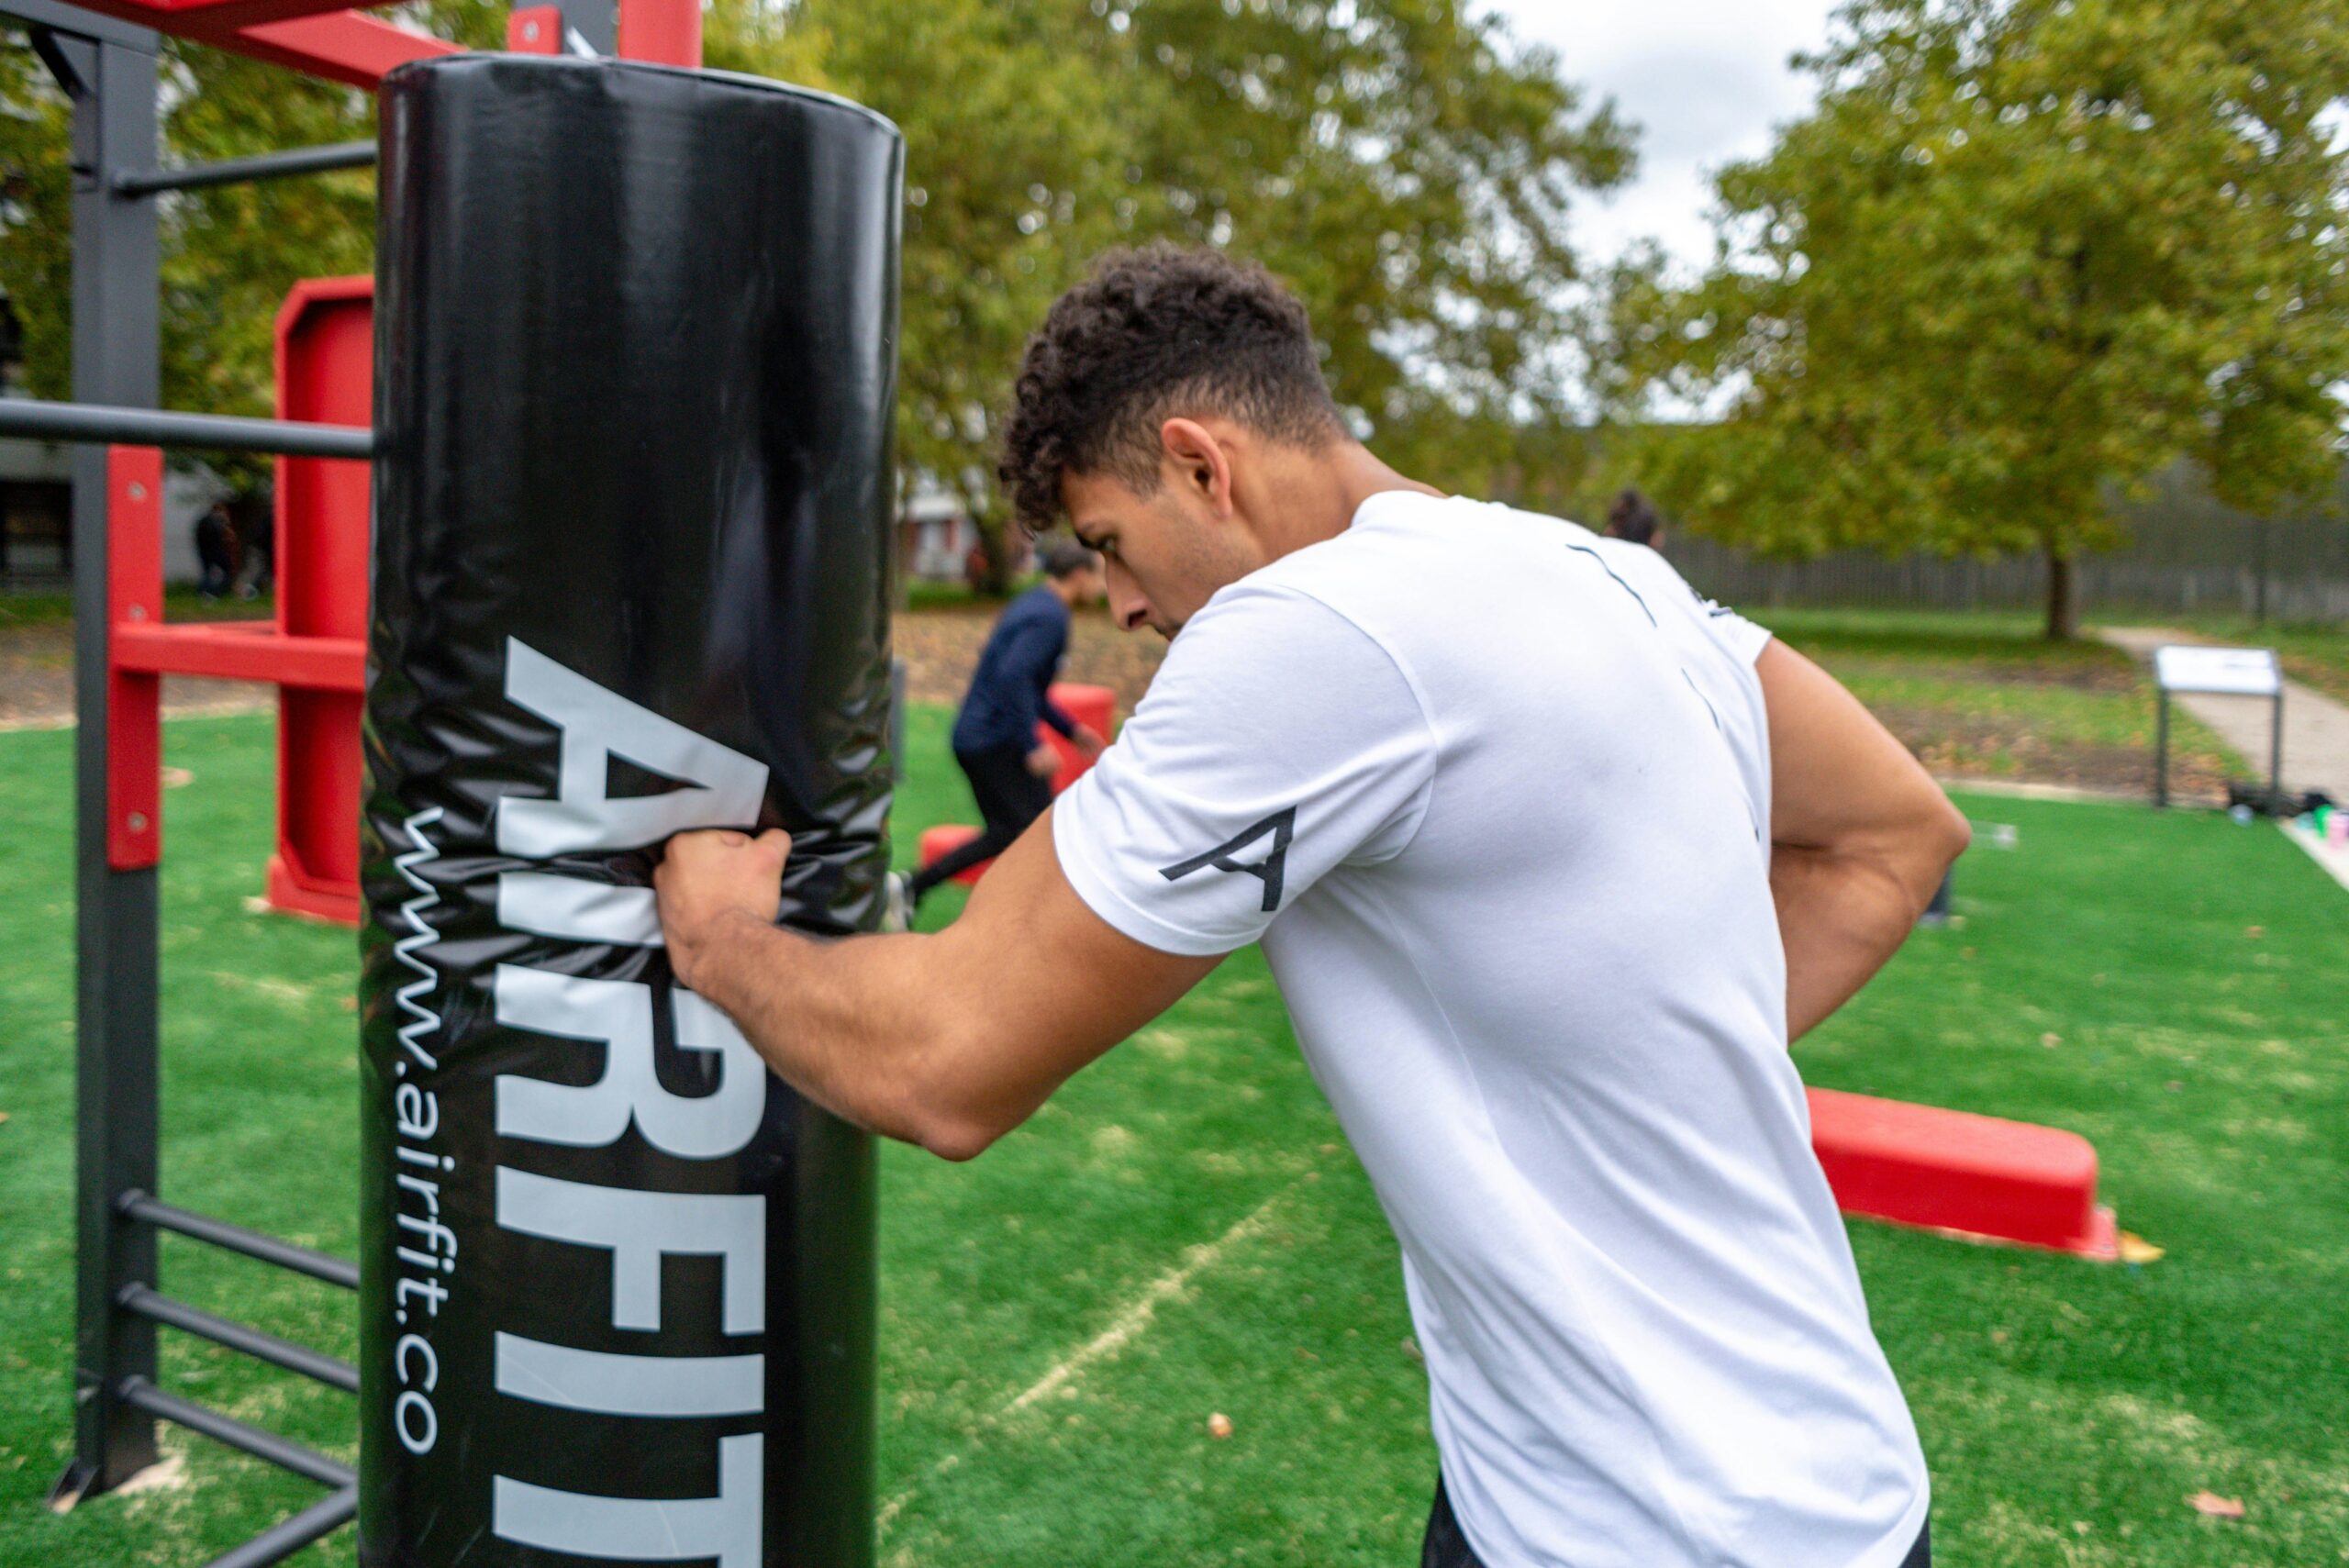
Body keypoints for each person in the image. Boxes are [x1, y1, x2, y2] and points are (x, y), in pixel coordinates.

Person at [656, 244, 1965, 1568]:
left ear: (1200, 465)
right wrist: (1616, 1090)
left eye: (1110, 541)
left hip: (1644, 1530)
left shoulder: (1313, 629)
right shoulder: (1607, 574)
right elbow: (1895, 840)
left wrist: (719, 940)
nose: (1116, 601)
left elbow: (948, 1059)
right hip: (1825, 1483)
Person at [899, 539, 1107, 912]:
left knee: (1008, 832)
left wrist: (1070, 730)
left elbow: (1027, 685)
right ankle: (1028, 924)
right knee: (1044, 834)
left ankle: (913, 887)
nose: (1103, 586)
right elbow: (1014, 677)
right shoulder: (1050, 617)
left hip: (977, 738)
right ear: (1079, 575)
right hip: (996, 741)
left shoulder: (1034, 603)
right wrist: (1031, 744)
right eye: (1100, 576)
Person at [194, 502, 236, 599]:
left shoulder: (203, 521)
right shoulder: (215, 521)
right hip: (215, 551)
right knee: (226, 570)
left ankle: (203, 592)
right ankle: (213, 591)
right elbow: (220, 535)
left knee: (207, 572)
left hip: (204, 551)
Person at [1606, 484, 1665, 551]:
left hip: (1638, 546)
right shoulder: (1620, 512)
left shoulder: (1645, 514)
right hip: (1626, 546)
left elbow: (1656, 536)